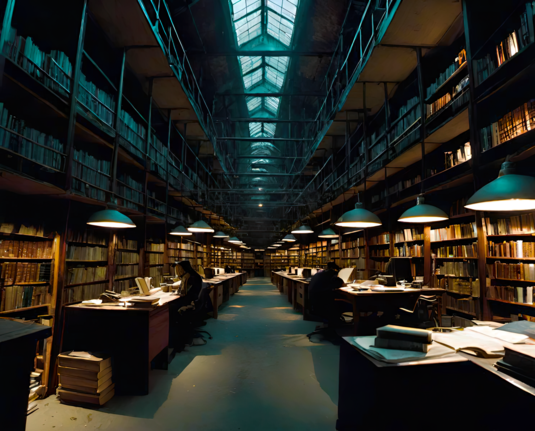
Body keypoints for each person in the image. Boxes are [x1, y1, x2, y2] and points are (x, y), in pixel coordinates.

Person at [308, 261, 346, 326]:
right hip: (323, 305)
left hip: (315, 304)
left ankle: (334, 320)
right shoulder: (332, 275)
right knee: (345, 302)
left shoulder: (319, 274)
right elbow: (340, 283)